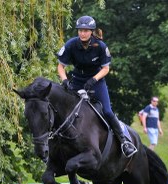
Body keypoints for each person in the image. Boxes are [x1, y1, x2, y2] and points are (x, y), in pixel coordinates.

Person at [57, 15, 137, 158]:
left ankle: (124, 142)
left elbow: (106, 69)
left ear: (91, 31)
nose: (82, 33)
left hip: (96, 82)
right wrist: (64, 81)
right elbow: (61, 66)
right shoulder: (71, 44)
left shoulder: (100, 46)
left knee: (107, 111)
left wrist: (93, 79)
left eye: (86, 31)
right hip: (76, 81)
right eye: (80, 30)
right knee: (63, 107)